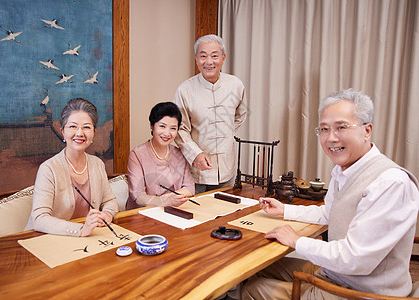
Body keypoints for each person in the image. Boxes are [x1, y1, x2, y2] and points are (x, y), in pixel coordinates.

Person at [242, 89, 419, 299]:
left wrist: (296, 241)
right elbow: (331, 214)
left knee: (251, 288)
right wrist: (284, 210)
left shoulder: (391, 182)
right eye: (324, 129)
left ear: (367, 130)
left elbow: (355, 259)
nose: (331, 138)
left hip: (359, 292)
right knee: (251, 270)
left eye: (341, 127)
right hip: (336, 274)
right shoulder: (344, 169)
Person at [25, 98, 118, 237]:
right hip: (49, 239)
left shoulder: (98, 164)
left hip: (86, 239)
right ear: (62, 131)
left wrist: (107, 214)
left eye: (86, 127)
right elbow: (39, 218)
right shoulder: (48, 169)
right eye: (73, 127)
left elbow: (110, 201)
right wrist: (80, 230)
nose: (80, 133)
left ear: (94, 132)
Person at [173, 34, 247, 195]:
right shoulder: (185, 90)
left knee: (225, 213)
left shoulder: (236, 85)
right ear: (196, 59)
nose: (209, 62)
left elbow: (240, 115)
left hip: (227, 168)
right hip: (196, 172)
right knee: (197, 217)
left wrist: (225, 135)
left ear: (223, 58)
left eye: (214, 56)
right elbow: (179, 129)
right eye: (203, 56)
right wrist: (195, 153)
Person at [126, 102, 195, 210]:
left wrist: (171, 199)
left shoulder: (179, 153)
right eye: (162, 126)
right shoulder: (137, 154)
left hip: (172, 211)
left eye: (173, 128)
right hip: (143, 214)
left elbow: (190, 188)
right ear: (152, 126)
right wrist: (164, 201)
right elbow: (138, 196)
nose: (167, 133)